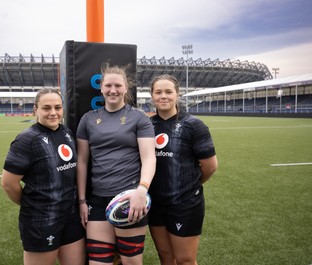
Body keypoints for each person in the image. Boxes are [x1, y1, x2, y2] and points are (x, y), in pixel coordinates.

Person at [76, 64, 156, 265]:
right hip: (97, 200)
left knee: (131, 262)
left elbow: (149, 158)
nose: (113, 90)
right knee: (98, 262)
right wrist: (82, 201)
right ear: (101, 88)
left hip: (130, 200)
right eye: (108, 85)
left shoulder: (139, 118)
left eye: (118, 85)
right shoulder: (88, 119)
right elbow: (82, 161)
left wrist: (142, 190)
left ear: (126, 88)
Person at [1, 88, 86, 265]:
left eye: (58, 107)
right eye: (46, 108)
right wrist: (32, 204)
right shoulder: (26, 140)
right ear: (36, 109)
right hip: (41, 221)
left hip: (71, 217)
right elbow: (9, 184)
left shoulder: (67, 133)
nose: (53, 113)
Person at [148, 74, 218, 265]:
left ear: (177, 95)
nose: (164, 96)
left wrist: (188, 184)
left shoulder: (194, 125)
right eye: (158, 92)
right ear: (152, 96)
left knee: (185, 260)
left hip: (185, 204)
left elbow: (210, 167)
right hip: (155, 203)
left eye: (169, 91)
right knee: (166, 257)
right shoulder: (147, 126)